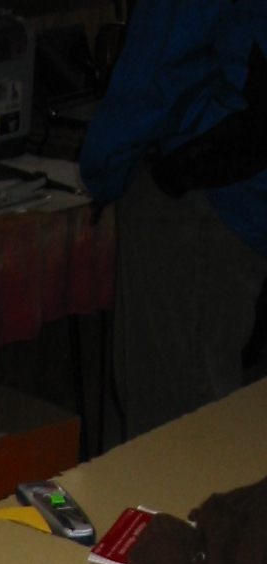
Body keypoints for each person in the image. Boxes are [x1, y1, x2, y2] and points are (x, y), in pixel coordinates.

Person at [80, 0, 267, 438]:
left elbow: (157, 68)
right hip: (243, 186)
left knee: (175, 427)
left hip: (200, 190)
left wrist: (102, 169)